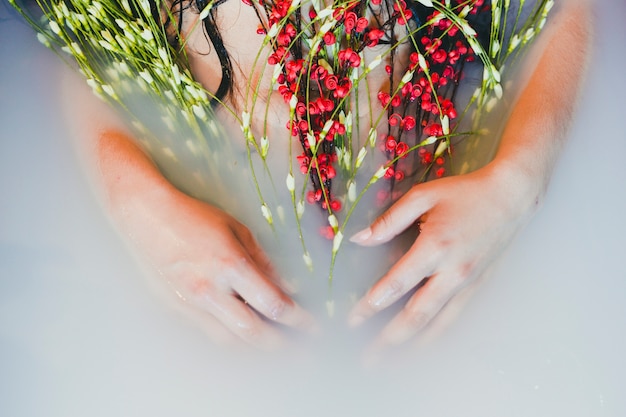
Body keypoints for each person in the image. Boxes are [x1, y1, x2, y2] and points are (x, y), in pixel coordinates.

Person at [28, 0, 591, 350]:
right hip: (205, 306)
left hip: (462, 295)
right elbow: (70, 41)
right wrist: (133, 198)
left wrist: (521, 176)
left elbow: (561, 10)